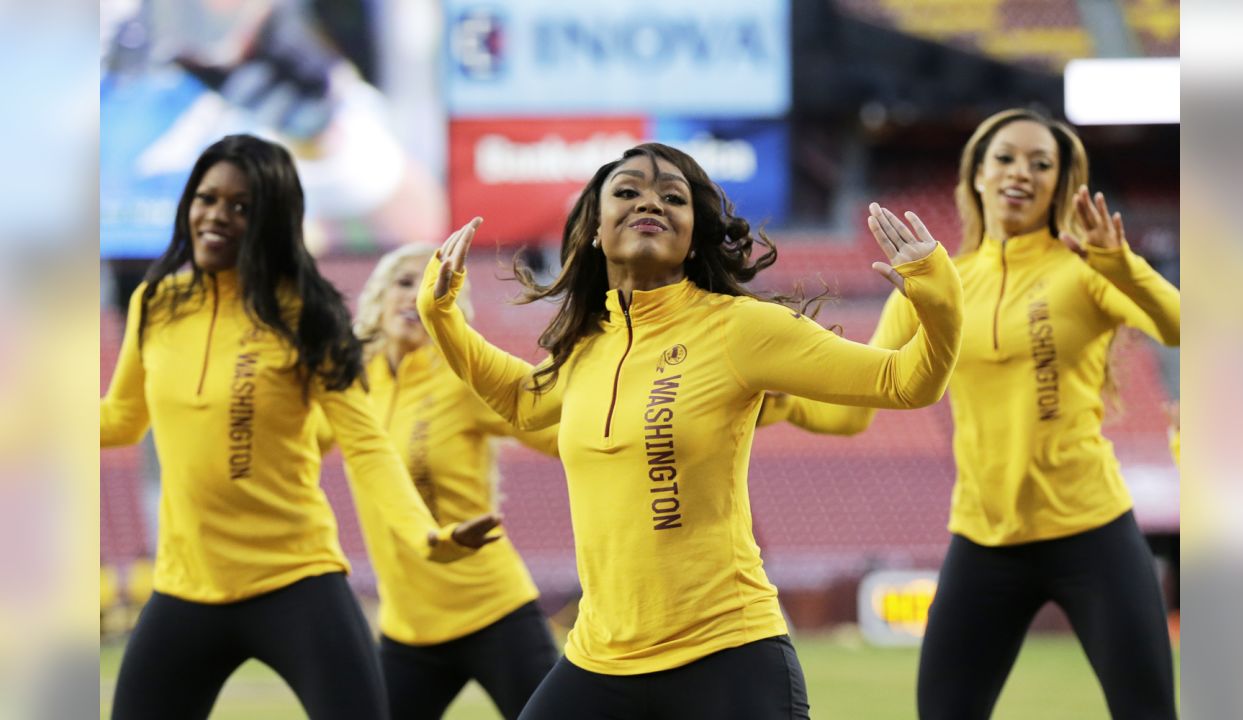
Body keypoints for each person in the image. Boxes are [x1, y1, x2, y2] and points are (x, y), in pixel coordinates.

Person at [415, 142, 965, 719]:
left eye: (672, 197)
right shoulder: (587, 346)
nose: (649, 202)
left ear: (693, 234)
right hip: (599, 665)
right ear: (596, 231)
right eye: (627, 192)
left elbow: (906, 382)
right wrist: (442, 319)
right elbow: (524, 404)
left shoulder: (741, 329)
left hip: (726, 657)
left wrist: (938, 294)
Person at [761, 109, 1181, 718]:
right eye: (1005, 158)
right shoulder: (938, 283)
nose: (1021, 173)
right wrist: (780, 401)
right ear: (977, 175)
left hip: (1093, 530)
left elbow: (1176, 325)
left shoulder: (1088, 271)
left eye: (1043, 165)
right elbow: (856, 409)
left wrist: (1121, 263)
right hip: (984, 539)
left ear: (1060, 187)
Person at [99, 134, 500, 720]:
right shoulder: (156, 304)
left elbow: (365, 445)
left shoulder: (307, 315)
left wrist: (426, 534)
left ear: (273, 219)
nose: (217, 216)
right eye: (207, 198)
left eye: (241, 206)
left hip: (295, 579)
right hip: (186, 586)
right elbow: (122, 419)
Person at [326, 243, 560, 719]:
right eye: (405, 282)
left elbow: (559, 435)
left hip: (495, 612)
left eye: (430, 287)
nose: (415, 298)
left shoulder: (462, 379)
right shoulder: (353, 384)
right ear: (379, 293)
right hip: (407, 630)